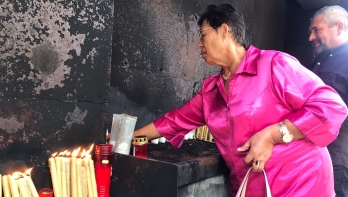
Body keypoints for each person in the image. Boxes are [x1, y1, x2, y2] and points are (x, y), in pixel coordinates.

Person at [133, 4, 348, 196]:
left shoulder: (273, 64)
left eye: (202, 35)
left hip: (302, 183)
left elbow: (331, 106)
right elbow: (173, 121)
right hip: (250, 187)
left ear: (225, 30)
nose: (199, 44)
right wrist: (127, 139)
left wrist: (273, 135)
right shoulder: (211, 91)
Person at [308, 5, 348, 197]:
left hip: (337, 158)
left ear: (339, 27)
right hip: (310, 156)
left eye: (317, 30)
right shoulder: (317, 60)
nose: (311, 37)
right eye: (310, 32)